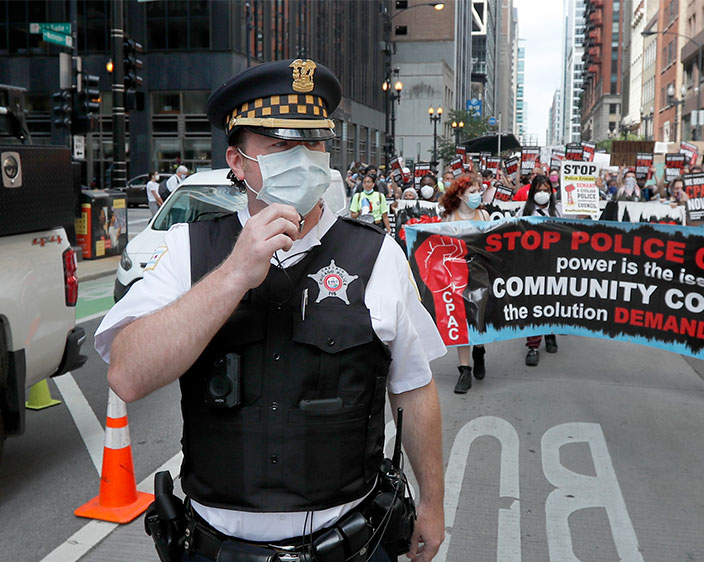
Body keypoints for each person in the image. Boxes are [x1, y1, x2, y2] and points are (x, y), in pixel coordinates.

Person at [94, 59, 446, 562]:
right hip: (216, 547)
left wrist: (432, 503)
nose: (302, 159)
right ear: (237, 162)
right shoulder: (189, 250)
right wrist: (235, 273)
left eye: (313, 143)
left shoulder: (378, 255)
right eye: (281, 146)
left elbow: (413, 384)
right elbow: (126, 374)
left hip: (350, 544)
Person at [438, 174, 489, 394]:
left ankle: (479, 351)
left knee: (478, 320)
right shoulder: (449, 217)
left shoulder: (484, 214)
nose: (477, 195)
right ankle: (464, 370)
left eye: (479, 191)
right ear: (460, 194)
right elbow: (439, 246)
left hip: (481, 275)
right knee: (461, 322)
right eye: (472, 192)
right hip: (455, 275)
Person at [517, 175, 560, 366]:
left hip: (553, 264)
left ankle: (550, 332)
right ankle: (533, 346)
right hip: (530, 265)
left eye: (546, 190)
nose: (543, 194)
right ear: (532, 192)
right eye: (539, 190)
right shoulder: (523, 211)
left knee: (551, 301)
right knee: (534, 303)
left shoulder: (558, 211)